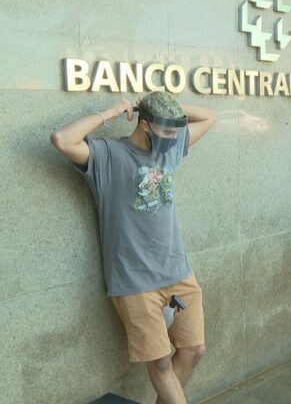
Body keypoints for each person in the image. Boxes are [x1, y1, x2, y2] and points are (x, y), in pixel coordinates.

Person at [49, 92, 217, 404]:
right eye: (168, 131)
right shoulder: (107, 156)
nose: (175, 139)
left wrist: (162, 105)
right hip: (134, 280)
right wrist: (108, 112)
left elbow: (209, 116)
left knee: (194, 351)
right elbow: (61, 139)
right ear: (145, 126)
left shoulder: (169, 146)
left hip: (178, 271)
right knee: (162, 362)